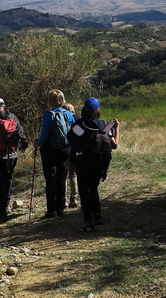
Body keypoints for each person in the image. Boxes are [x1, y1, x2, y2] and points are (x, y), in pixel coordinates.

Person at [69, 97, 119, 231]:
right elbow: (114, 145)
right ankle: (98, 216)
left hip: (83, 161)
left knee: (84, 191)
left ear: (84, 109)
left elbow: (73, 142)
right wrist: (117, 128)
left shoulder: (79, 125)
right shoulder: (105, 125)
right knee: (94, 188)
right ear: (98, 110)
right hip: (100, 162)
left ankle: (88, 221)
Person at [35, 89, 76, 218]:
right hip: (65, 149)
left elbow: (45, 135)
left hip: (50, 150)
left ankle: (51, 210)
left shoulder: (48, 115)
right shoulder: (69, 114)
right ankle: (60, 209)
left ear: (50, 100)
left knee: (51, 179)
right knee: (61, 178)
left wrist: (37, 143)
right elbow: (74, 130)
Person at [63, 103, 79, 209]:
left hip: (64, 149)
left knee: (63, 177)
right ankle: (73, 199)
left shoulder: (63, 117)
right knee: (73, 176)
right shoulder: (77, 118)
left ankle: (63, 200)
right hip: (75, 151)